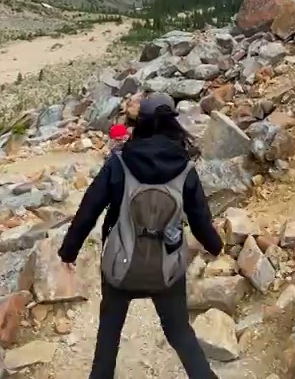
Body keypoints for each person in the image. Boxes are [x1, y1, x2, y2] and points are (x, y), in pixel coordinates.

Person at [58, 93, 222, 379]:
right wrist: (215, 246)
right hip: (166, 269)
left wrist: (68, 252)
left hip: (119, 266)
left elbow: (89, 209)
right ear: (173, 124)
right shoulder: (185, 169)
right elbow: (200, 221)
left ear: (140, 123)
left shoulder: (119, 163)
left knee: (108, 335)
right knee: (180, 333)